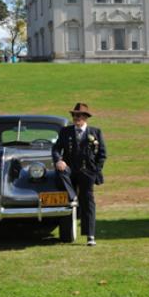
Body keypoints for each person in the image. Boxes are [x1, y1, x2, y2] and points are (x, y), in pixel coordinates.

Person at [52, 103, 107, 246]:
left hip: (87, 172)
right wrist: (58, 160)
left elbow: (102, 154)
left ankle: (90, 236)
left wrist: (96, 171)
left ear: (85, 117)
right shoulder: (65, 131)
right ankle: (72, 196)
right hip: (70, 170)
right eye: (74, 115)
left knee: (88, 201)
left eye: (79, 115)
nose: (76, 118)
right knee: (60, 171)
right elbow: (56, 149)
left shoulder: (95, 132)